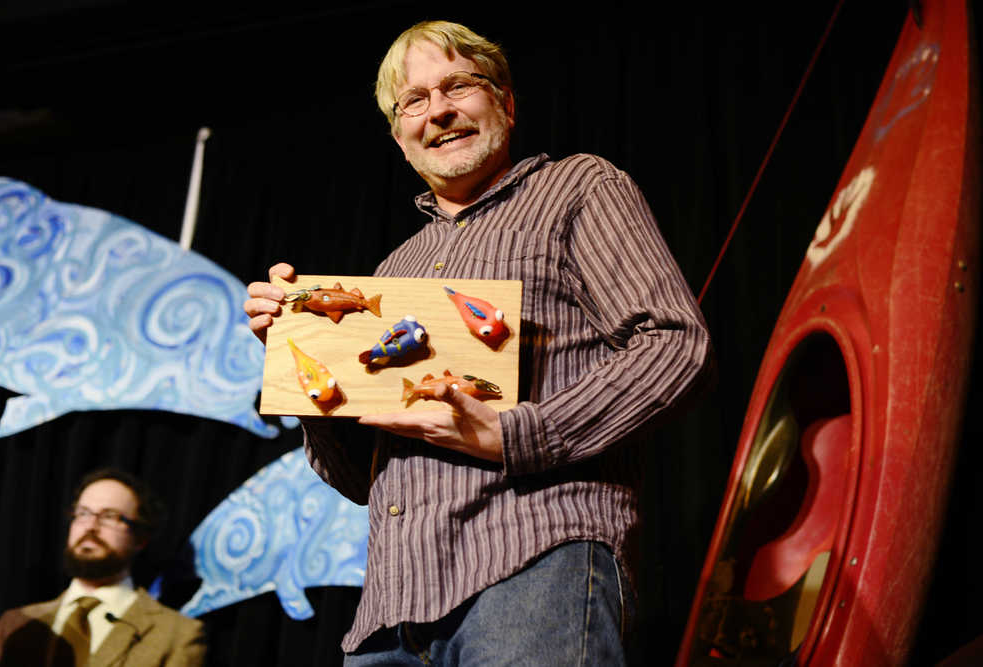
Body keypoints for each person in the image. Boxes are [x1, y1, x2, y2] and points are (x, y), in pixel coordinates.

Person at [244, 20, 713, 665]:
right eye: (413, 101)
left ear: (506, 103)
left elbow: (673, 345)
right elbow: (362, 478)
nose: (438, 110)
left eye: (458, 85)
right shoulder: (391, 272)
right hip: (390, 614)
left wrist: (520, 434)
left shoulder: (577, 189)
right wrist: (297, 361)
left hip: (534, 569)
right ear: (399, 134)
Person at [0, 469, 206, 667]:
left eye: (109, 516)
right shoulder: (14, 623)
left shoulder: (177, 634)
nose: (91, 526)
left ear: (141, 539)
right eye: (83, 513)